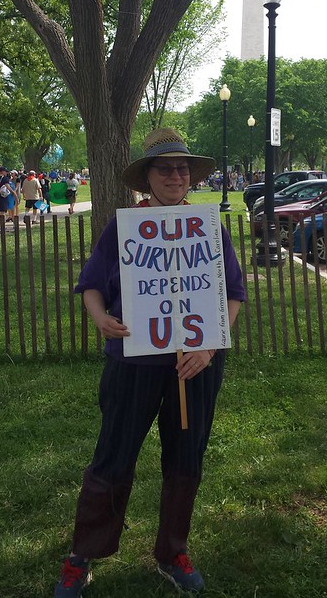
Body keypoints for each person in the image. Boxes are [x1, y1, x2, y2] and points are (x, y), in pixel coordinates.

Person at [54, 128, 246, 597]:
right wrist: (100, 317)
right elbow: (92, 284)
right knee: (113, 455)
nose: (176, 176)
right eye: (165, 169)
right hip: (133, 361)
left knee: (186, 459)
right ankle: (82, 555)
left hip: (194, 364)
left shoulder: (208, 227)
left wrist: (210, 347)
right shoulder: (124, 227)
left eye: (183, 168)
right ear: (148, 178)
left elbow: (233, 294)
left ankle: (172, 552)